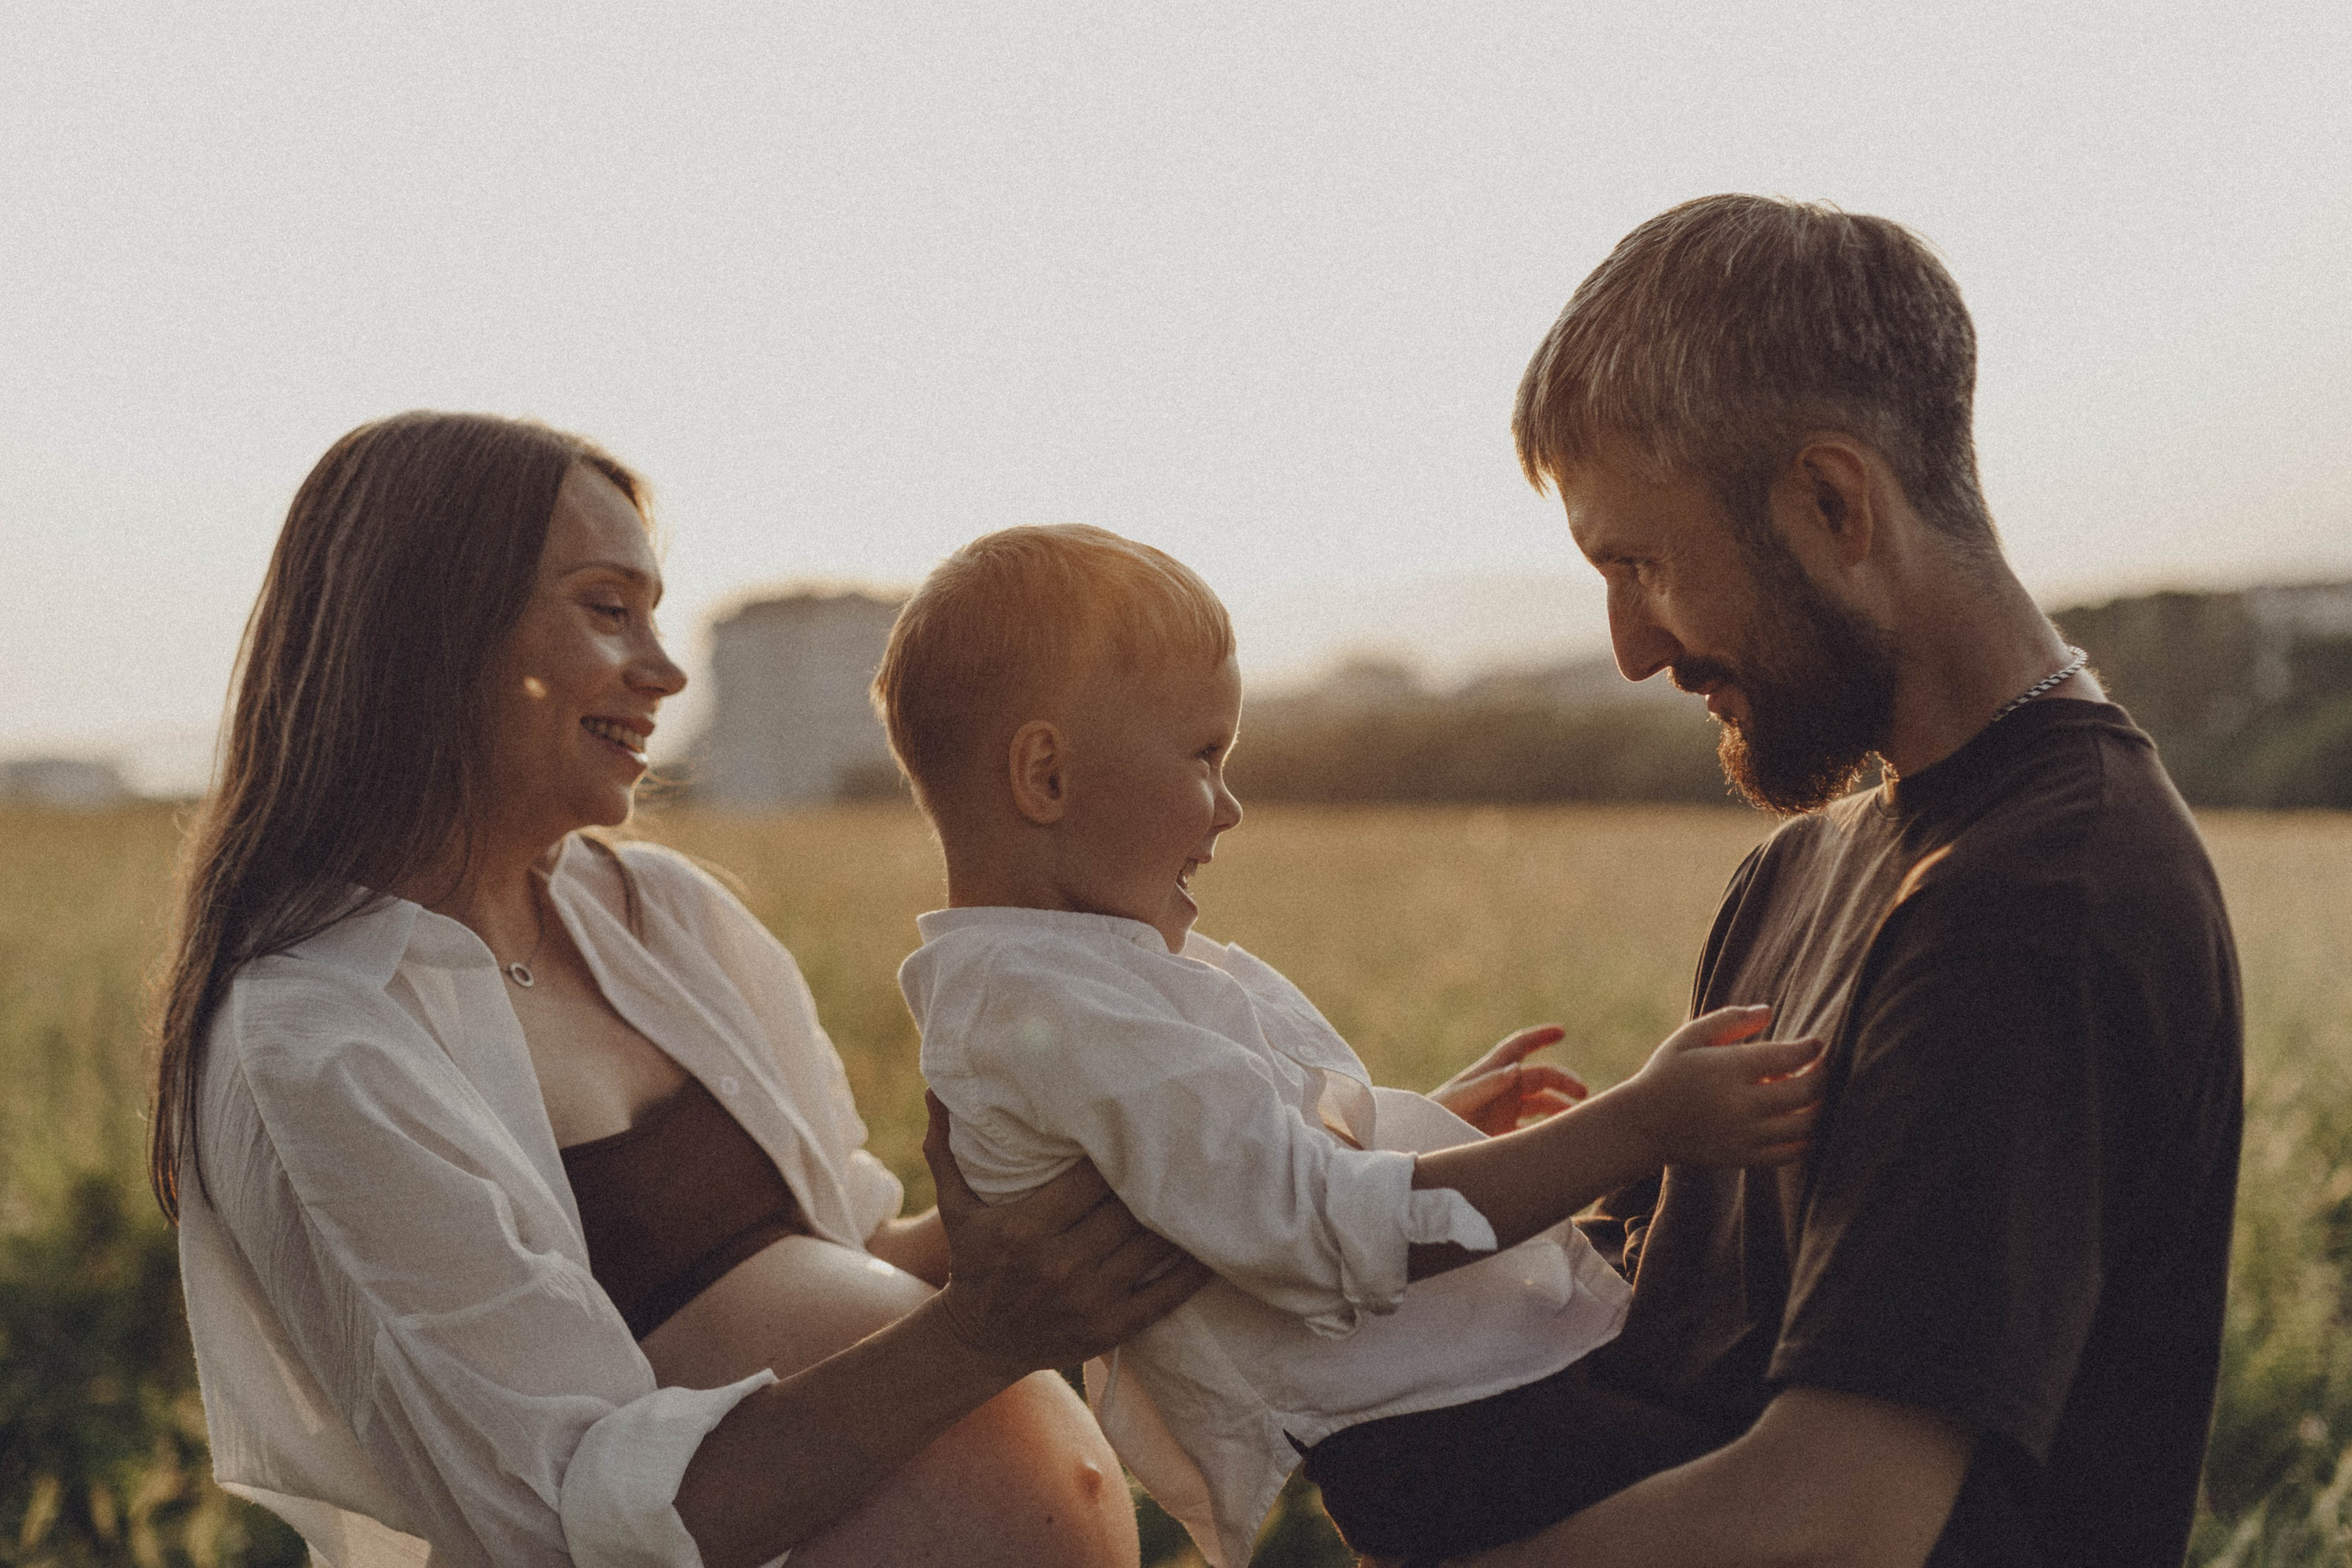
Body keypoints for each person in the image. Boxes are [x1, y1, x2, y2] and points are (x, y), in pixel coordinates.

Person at [150, 411, 1214, 1568]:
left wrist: (1091, 1178)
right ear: (432, 628)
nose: (663, 670)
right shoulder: (316, 1044)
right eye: (609, 609)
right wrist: (982, 1337)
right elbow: (554, 1519)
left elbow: (853, 1252)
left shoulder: (667, 915)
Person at [1431, 196, 2244, 1568]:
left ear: (1832, 500)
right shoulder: (1798, 867)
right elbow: (1656, 1350)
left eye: (1641, 562)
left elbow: (1833, 1519)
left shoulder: (2044, 895)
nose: (1632, 647)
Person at [874, 524, 1827, 1567]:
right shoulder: (1050, 1011)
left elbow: (1248, 1166)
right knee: (1807, 1451)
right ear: (1045, 776)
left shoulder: (1079, 980)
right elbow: (1310, 1228)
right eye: (1203, 755)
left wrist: (1415, 1127)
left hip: (1467, 1402)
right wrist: (1637, 1125)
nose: (1229, 807)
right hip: (1457, 1432)